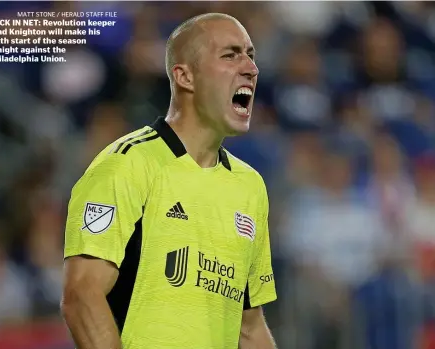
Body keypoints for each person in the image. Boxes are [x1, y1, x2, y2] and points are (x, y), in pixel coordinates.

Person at [61, 12, 277, 349]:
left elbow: (249, 328)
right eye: (230, 54)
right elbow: (81, 296)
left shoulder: (250, 186)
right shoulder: (127, 164)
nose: (250, 67)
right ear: (185, 76)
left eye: (251, 55)